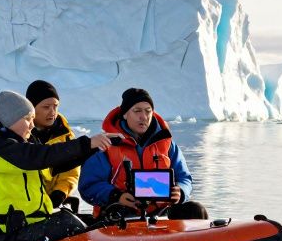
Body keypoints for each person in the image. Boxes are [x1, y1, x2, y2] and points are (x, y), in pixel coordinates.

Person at [0, 91, 117, 241]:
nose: (32, 125)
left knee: (93, 221)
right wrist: (86, 143)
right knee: (69, 225)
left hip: (19, 224)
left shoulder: (15, 145)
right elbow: (35, 157)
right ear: (10, 120)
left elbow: (52, 166)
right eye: (28, 119)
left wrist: (94, 149)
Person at [78, 87, 208, 220]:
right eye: (137, 111)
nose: (143, 117)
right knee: (120, 214)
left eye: (148, 111)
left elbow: (184, 178)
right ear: (125, 114)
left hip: (162, 213)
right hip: (120, 214)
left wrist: (180, 191)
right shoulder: (106, 145)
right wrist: (116, 196)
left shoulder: (167, 144)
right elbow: (88, 186)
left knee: (196, 211)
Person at [26, 80, 81, 212]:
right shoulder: (19, 136)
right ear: (31, 109)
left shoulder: (66, 136)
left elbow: (71, 174)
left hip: (52, 206)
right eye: (46, 107)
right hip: (25, 207)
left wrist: (60, 192)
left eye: (55, 106)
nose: (52, 112)